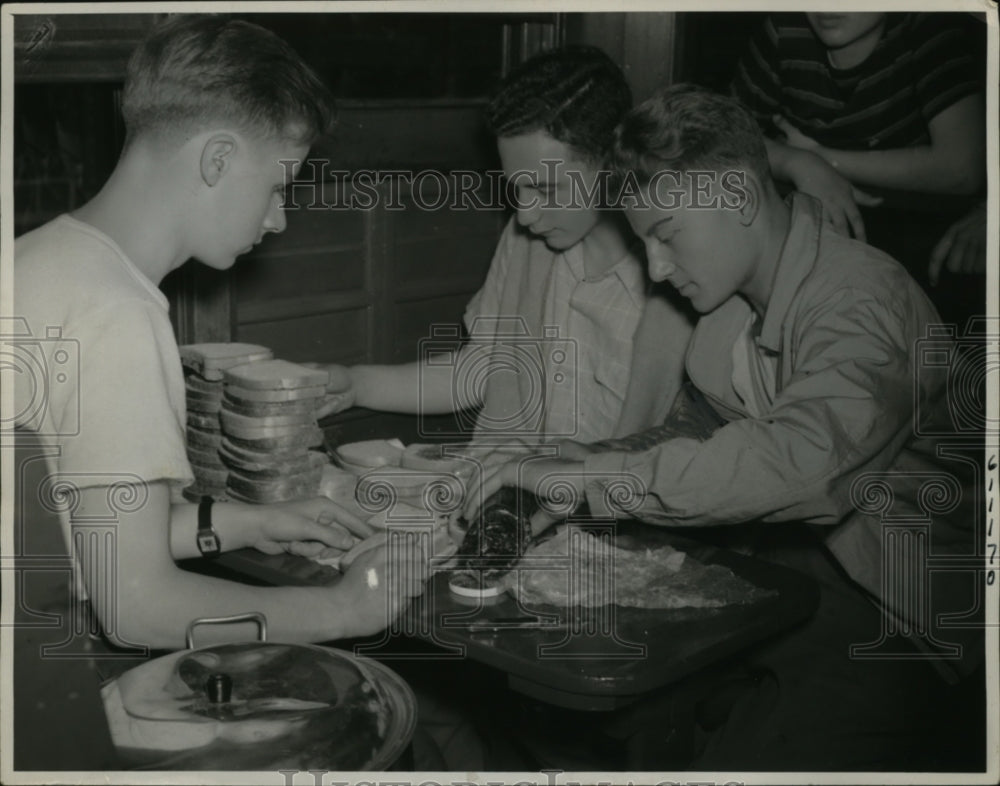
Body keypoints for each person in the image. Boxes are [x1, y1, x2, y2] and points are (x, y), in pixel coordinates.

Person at [465, 85, 983, 770]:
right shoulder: (728, 309)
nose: (657, 269)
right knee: (568, 704)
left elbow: (803, 462)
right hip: (779, 575)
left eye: (666, 235)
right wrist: (568, 471)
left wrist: (593, 477)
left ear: (737, 196)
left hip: (897, 617)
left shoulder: (863, 300)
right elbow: (690, 437)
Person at [12, 15, 429, 652]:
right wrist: (341, 610)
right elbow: (135, 606)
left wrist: (246, 522)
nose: (279, 218)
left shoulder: (39, 259)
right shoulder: (118, 314)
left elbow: (89, 529)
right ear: (218, 158)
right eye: (278, 185)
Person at [316, 46, 693, 444]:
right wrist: (355, 385)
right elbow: (482, 370)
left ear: (610, 164)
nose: (526, 215)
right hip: (507, 490)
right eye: (517, 189)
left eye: (545, 190)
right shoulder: (528, 241)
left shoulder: (673, 275)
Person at [731, 11, 986, 324]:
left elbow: (962, 168)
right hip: (816, 229)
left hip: (919, 230)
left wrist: (823, 157)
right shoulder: (785, 28)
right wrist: (798, 162)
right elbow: (725, 138)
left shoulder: (928, 26)